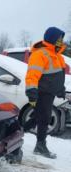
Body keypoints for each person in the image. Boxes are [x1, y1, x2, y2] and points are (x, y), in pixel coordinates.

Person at [25, 27, 66, 159]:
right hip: (42, 93)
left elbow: (57, 76)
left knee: (39, 117)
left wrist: (60, 89)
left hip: (50, 93)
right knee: (44, 118)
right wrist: (31, 92)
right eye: (59, 38)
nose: (61, 41)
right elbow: (32, 75)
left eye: (61, 38)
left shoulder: (57, 55)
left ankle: (17, 132)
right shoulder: (40, 54)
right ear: (52, 38)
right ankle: (40, 145)